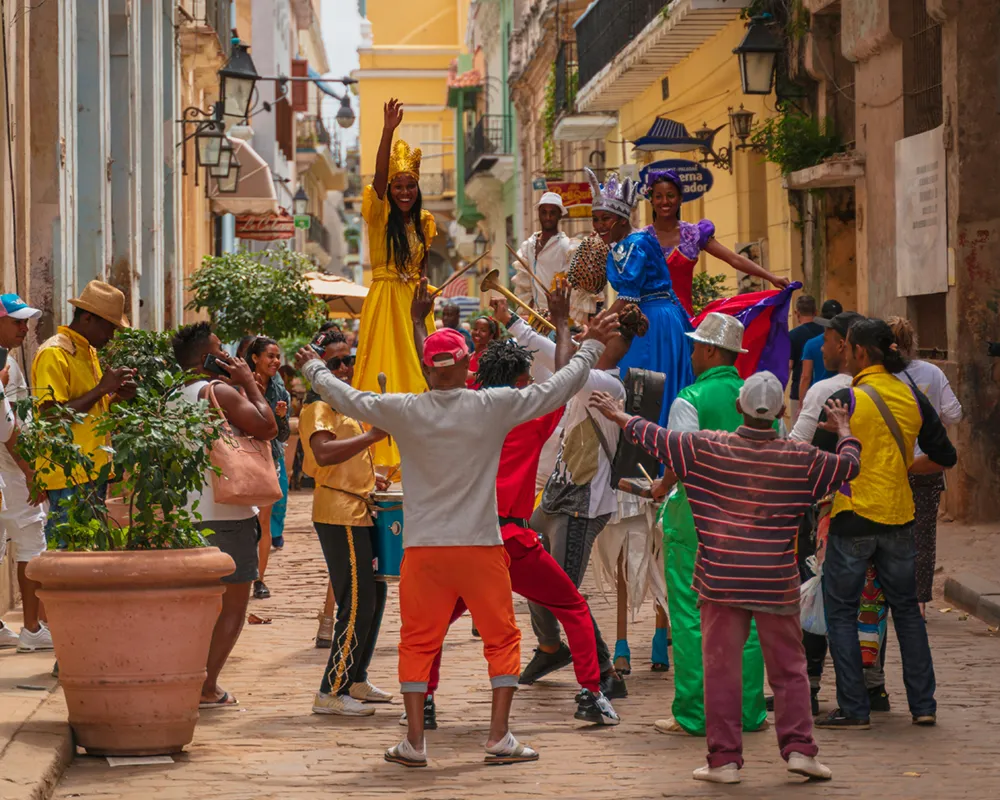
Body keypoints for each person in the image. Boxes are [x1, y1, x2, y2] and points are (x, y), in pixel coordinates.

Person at [294, 297, 621, 768]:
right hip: (482, 546)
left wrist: (315, 371)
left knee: (418, 641)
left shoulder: (404, 409)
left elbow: (349, 398)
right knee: (502, 640)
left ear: (427, 371)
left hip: (424, 551)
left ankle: (413, 742)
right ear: (467, 362)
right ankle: (499, 737)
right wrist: (589, 346)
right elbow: (558, 388)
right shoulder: (494, 405)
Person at [591, 372, 863, 785]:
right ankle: (800, 750)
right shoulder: (800, 458)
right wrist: (843, 429)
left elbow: (655, 437)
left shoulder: (707, 448)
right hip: (775, 580)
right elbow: (849, 467)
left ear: (739, 407)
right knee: (789, 670)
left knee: (720, 669)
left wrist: (618, 414)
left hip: (720, 579)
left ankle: (724, 760)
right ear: (781, 412)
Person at [408, 282, 620, 727]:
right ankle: (591, 695)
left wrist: (417, 321)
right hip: (511, 539)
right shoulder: (526, 412)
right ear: (522, 381)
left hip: (466, 539)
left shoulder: (459, 405)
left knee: (433, 628)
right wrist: (561, 322)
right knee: (574, 609)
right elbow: (566, 378)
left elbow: (431, 369)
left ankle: (424, 702)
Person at [503, 295, 646, 702]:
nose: (583, 335)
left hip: (583, 506)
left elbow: (565, 368)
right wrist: (514, 322)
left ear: (610, 342)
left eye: (594, 331)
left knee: (563, 593)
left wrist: (563, 323)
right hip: (554, 500)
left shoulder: (610, 384)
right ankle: (551, 648)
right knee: (528, 574)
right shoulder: (588, 372)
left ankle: (603, 672)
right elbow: (553, 355)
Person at [817, 319, 956, 730]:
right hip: (899, 516)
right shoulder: (912, 396)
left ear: (859, 352)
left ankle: (855, 709)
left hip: (853, 516)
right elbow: (944, 455)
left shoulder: (845, 400)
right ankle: (924, 705)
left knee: (841, 613)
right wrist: (903, 467)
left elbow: (820, 463)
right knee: (908, 614)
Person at [653, 313, 767, 738]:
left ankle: (695, 712)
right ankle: (750, 710)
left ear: (712, 351)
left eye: (698, 345)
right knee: (749, 618)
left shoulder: (691, 397)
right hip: (753, 521)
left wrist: (661, 485)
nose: (693, 351)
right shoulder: (759, 395)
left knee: (689, 615)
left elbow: (681, 461)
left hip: (697, 520)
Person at [171, 323, 278, 709]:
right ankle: (206, 686)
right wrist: (249, 381)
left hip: (186, 513)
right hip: (226, 512)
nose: (229, 355)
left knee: (197, 606)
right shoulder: (219, 391)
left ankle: (187, 676)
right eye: (220, 349)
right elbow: (268, 427)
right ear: (207, 359)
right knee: (233, 606)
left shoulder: (172, 395)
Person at [301, 332, 394, 717]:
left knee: (374, 597)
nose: (344, 367)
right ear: (320, 367)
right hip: (339, 513)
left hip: (359, 508)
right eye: (334, 362)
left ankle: (355, 678)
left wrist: (373, 478)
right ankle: (331, 689)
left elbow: (348, 458)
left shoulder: (346, 403)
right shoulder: (319, 406)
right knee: (355, 603)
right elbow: (322, 454)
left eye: (347, 359)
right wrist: (372, 435)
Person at [354, 98, 437, 468]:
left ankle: (421, 451)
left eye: (411, 186)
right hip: (386, 301)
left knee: (423, 372)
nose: (405, 192)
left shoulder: (426, 223)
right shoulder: (378, 214)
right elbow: (377, 180)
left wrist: (426, 296)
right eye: (399, 185)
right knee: (385, 370)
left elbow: (423, 268)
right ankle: (380, 455)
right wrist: (387, 131)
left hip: (415, 305)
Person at [32, 281, 136, 542]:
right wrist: (102, 389)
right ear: (88, 318)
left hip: (91, 471)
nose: (111, 336)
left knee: (84, 552)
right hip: (69, 473)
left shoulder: (87, 351)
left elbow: (87, 411)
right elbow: (50, 417)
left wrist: (115, 397)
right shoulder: (55, 353)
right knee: (66, 554)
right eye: (109, 327)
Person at [590, 168, 694, 429]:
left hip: (650, 322)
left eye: (606, 219)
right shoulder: (635, 239)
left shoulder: (631, 245)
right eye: (596, 219)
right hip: (659, 317)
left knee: (641, 391)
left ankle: (648, 454)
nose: (600, 225)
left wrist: (596, 329)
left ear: (622, 220)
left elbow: (627, 297)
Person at [887, 316, 963, 614]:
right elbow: (954, 413)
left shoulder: (878, 376)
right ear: (912, 342)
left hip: (892, 466)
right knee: (923, 534)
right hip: (928, 465)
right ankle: (918, 601)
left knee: (890, 534)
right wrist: (935, 424)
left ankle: (893, 596)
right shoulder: (932, 372)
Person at [640, 170, 788, 317]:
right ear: (651, 200)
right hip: (648, 322)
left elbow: (734, 258)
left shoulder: (693, 234)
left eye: (670, 196)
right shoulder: (641, 239)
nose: (665, 201)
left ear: (680, 199)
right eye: (658, 197)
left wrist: (772, 278)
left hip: (682, 320)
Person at [0, 294, 51, 652]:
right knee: (32, 543)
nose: (24, 327)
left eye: (26, 320)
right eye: (17, 321)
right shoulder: (5, 365)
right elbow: (8, 427)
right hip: (12, 468)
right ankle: (32, 628)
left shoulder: (8, 364)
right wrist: (30, 470)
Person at [246, 337, 290, 600]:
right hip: (239, 460)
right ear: (255, 358)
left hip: (267, 461)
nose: (276, 361)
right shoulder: (239, 385)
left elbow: (282, 436)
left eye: (277, 356)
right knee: (242, 523)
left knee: (263, 522)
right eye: (270, 356)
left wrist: (282, 418)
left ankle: (259, 580)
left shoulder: (280, 390)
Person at [512, 192, 595, 323]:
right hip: (536, 319)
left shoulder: (567, 247)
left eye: (552, 213)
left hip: (559, 320)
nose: (548, 217)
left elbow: (576, 289)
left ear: (560, 215)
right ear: (538, 213)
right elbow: (525, 286)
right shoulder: (528, 246)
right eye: (544, 212)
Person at [798, 299, 844, 400]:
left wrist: (801, 404)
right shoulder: (846, 343)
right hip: (842, 394)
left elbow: (806, 377)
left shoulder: (811, 344)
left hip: (818, 396)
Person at [788, 295, 823, 420]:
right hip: (822, 391)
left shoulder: (792, 335)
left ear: (797, 313)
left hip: (799, 393)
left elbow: (789, 366)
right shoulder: (825, 333)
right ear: (815, 312)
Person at [466, 314, 501, 388]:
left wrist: (471, 375)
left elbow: (494, 380)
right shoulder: (471, 355)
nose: (477, 332)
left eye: (483, 330)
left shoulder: (491, 356)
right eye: (475, 329)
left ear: (491, 335)